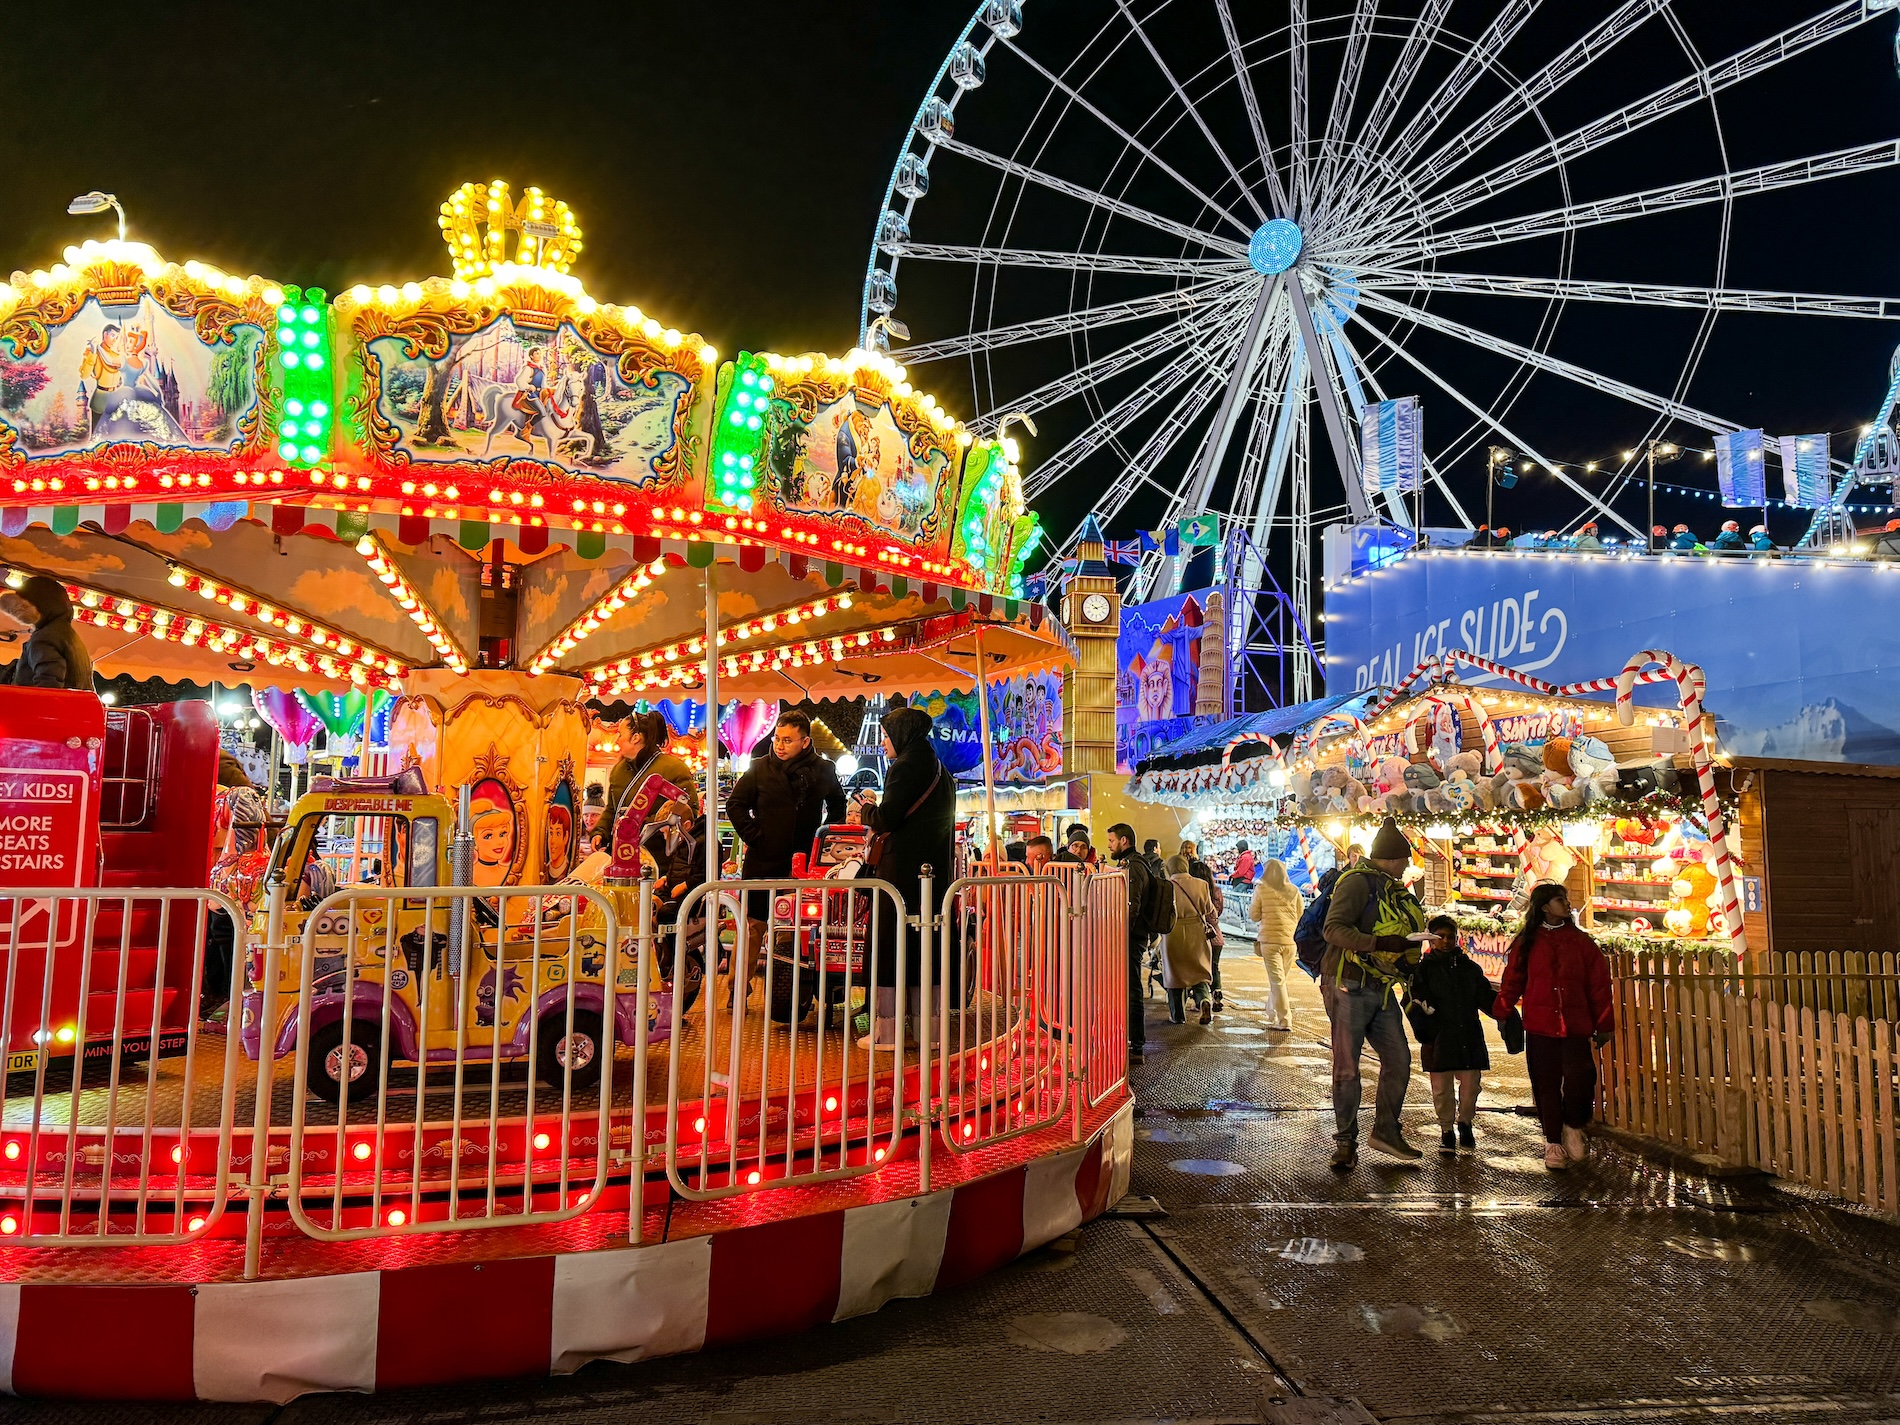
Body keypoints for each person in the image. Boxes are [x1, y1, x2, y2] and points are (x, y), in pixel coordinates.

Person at [1319, 817, 1429, 1170]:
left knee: (1399, 1059)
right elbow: (1332, 930)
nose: (1408, 866)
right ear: (1394, 858)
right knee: (1347, 1067)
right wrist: (1379, 943)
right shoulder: (1357, 884)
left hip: (1381, 987)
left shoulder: (1392, 888)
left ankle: (1385, 1130)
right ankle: (1345, 1142)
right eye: (1406, 860)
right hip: (1348, 984)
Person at [1495, 882, 1614, 1170]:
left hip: (1576, 1026)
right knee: (1545, 1084)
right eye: (1561, 900)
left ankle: (1574, 1125)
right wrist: (1502, 1008)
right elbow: (1513, 980)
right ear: (1545, 906)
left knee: (1581, 1079)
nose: (1567, 904)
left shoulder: (1582, 943)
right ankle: (1552, 1142)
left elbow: (1598, 985)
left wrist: (1604, 1023)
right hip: (1539, 1026)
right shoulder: (1528, 942)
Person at [856, 706, 954, 1047]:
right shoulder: (938, 767)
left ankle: (888, 1032)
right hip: (931, 876)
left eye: (885, 736)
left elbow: (885, 818)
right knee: (923, 950)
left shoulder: (906, 766)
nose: (883, 743)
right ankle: (929, 1030)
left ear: (901, 734)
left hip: (900, 875)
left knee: (892, 947)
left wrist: (863, 811)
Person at [730, 709, 847, 980]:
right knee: (752, 926)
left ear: (805, 741)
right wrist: (754, 835)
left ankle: (789, 992)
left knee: (794, 927)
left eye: (787, 740)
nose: (780, 745)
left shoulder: (823, 769)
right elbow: (736, 804)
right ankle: (738, 989)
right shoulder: (760, 767)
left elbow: (838, 804)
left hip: (804, 862)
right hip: (763, 860)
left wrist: (823, 839)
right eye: (777, 739)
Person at [1406, 915, 1499, 1155]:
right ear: (1431, 939)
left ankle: (1465, 1122)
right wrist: (1421, 1022)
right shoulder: (1422, 970)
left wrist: (1504, 1011)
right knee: (1441, 1089)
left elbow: (1484, 996)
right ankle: (1446, 1130)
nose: (1446, 941)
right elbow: (1411, 1000)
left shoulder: (1469, 968)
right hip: (1438, 1037)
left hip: (1468, 1034)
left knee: (1471, 1086)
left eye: (1450, 936)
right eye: (1440, 937)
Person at [1105, 823, 1155, 1068]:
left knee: (1132, 988)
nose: (1109, 845)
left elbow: (1131, 905)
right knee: (1126, 986)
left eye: (1112, 841)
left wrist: (1120, 932)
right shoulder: (1134, 864)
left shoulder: (1133, 866)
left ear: (1124, 841)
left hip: (1131, 936)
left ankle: (1136, 1044)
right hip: (1132, 935)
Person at [606, 709, 698, 829]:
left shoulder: (674, 768)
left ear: (635, 738)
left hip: (657, 845)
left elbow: (688, 809)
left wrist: (642, 825)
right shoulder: (618, 770)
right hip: (621, 843)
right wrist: (600, 832)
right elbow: (612, 810)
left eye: (620, 734)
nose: (617, 740)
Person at [0, 575, 94, 690]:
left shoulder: (44, 638)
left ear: (40, 605)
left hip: (49, 706)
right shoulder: (71, 637)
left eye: (24, 606)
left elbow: (48, 686)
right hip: (77, 706)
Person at [1160, 854, 1216, 1025]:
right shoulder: (1201, 884)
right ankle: (1204, 1000)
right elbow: (1208, 909)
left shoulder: (1165, 886)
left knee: (1174, 974)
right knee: (1199, 972)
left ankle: (1177, 1015)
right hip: (1197, 931)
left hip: (1172, 932)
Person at [1250, 858, 1303, 1032]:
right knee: (1280, 980)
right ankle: (1272, 1011)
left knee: (1277, 981)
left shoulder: (1261, 889)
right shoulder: (1294, 890)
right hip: (1289, 941)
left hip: (1269, 942)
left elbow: (1254, 915)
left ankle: (1284, 1020)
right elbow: (1300, 914)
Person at [1180, 839, 1225, 1012]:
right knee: (1214, 967)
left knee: (1198, 970)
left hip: (1198, 936)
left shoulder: (1195, 891)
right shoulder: (1216, 891)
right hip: (1216, 937)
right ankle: (1217, 992)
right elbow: (1217, 912)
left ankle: (1202, 998)